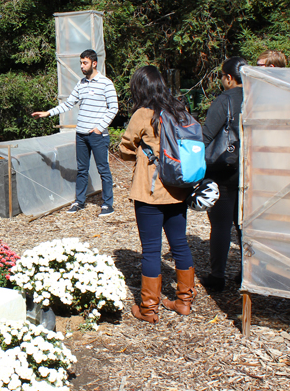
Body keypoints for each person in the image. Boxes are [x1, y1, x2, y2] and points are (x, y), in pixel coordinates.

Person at [119, 66, 197, 322]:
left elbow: (124, 148)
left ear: (140, 88)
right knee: (180, 244)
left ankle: (148, 308)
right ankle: (184, 301)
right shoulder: (179, 109)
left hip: (150, 192)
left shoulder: (143, 114)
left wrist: (142, 154)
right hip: (178, 189)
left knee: (151, 250)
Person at [32, 49, 118, 217]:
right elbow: (68, 103)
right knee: (82, 170)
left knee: (103, 170)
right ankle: (79, 201)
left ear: (94, 63)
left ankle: (107, 204)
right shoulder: (81, 84)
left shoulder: (106, 83)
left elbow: (114, 108)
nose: (81, 66)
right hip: (81, 135)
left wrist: (99, 128)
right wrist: (48, 113)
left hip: (98, 135)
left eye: (84, 63)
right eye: (80, 63)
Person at [200, 56, 248, 292]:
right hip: (250, 171)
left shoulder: (224, 100)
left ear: (229, 78)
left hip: (224, 169)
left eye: (222, 76)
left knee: (220, 224)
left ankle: (217, 276)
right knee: (243, 225)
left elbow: (206, 136)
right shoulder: (257, 98)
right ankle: (246, 273)